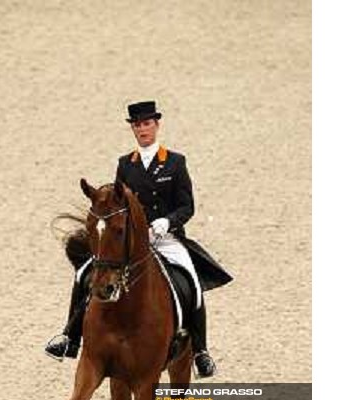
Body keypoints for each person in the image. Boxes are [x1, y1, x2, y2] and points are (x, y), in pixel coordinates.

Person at [45, 101, 232, 377]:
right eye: (137, 125)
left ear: (156, 125)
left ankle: (201, 351)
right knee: (85, 272)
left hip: (166, 237)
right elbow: (116, 203)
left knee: (191, 279)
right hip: (131, 241)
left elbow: (186, 206)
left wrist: (166, 222)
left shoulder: (175, 162)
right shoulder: (125, 165)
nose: (142, 129)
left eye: (146, 124)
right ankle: (69, 337)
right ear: (132, 128)